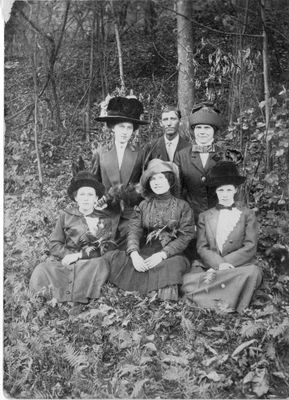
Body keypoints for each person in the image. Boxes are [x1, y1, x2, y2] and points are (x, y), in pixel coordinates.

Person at [103, 159, 196, 301]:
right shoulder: (143, 205)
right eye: (153, 179)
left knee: (173, 265)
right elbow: (134, 230)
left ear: (170, 181)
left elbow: (186, 236)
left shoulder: (183, 206)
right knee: (115, 258)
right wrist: (134, 254)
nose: (157, 182)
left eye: (161, 178)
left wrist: (163, 254)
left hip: (170, 253)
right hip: (145, 248)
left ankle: (160, 296)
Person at [182, 161, 262, 313]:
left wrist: (226, 264)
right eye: (221, 191)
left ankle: (208, 298)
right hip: (212, 265)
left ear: (235, 190)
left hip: (237, 267)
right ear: (216, 192)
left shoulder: (247, 214)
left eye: (228, 190)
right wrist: (218, 264)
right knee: (187, 281)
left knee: (252, 273)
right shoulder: (205, 216)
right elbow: (202, 247)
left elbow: (250, 246)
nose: (224, 195)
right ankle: (227, 296)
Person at [29, 171, 116, 309]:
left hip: (89, 263)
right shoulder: (66, 215)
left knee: (101, 264)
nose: (86, 198)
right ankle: (50, 299)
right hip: (66, 262)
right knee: (42, 269)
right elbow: (54, 243)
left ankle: (79, 300)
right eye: (82, 194)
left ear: (96, 198)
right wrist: (67, 255)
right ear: (76, 198)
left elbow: (105, 247)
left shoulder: (104, 218)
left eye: (90, 194)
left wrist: (80, 255)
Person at [92, 96, 149, 247]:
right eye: (121, 127)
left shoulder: (140, 153)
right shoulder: (100, 153)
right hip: (106, 215)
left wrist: (131, 193)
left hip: (131, 216)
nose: (125, 132)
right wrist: (100, 201)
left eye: (129, 127)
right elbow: (94, 184)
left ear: (134, 130)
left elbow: (145, 185)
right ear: (112, 127)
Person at [174, 102, 241, 225]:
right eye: (198, 128)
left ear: (214, 131)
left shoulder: (225, 156)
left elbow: (234, 192)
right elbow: (178, 191)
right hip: (190, 219)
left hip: (220, 218)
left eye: (207, 128)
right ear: (193, 130)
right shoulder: (182, 155)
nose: (202, 132)